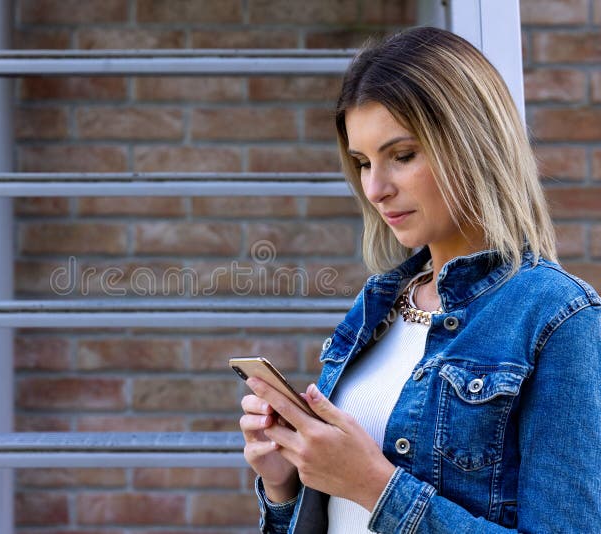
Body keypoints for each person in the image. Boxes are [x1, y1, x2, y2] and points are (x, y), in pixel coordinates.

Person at [239, 26, 601, 533]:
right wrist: (285, 486)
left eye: (402, 156)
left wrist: (373, 484)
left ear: (472, 144)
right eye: (363, 163)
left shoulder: (556, 316)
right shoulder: (378, 305)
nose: (375, 188)